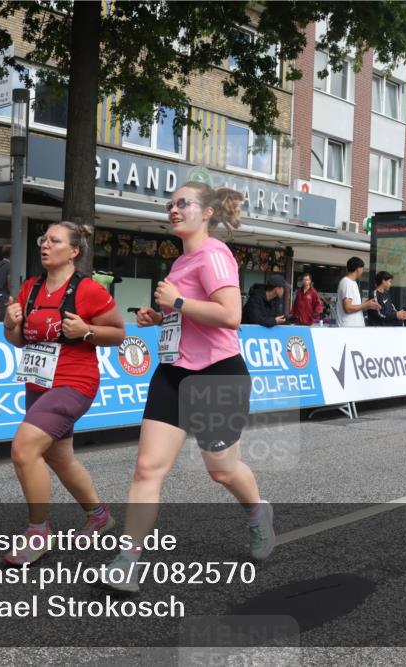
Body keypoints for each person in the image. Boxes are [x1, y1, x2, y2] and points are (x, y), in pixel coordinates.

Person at [101, 182, 275, 593]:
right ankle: (128, 561)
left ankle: (257, 512)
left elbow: (230, 315)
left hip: (216, 374)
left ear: (207, 212)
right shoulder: (181, 262)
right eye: (170, 203)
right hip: (174, 373)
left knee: (221, 470)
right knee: (147, 468)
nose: (173, 209)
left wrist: (177, 302)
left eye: (183, 203)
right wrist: (159, 319)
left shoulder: (214, 254)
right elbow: (192, 318)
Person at [1, 222, 126, 566]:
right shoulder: (31, 287)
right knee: (59, 457)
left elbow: (117, 334)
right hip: (37, 383)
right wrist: (10, 322)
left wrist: (87, 331)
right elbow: (18, 340)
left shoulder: (88, 290)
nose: (45, 245)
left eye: (54, 241)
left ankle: (37, 533)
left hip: (73, 383)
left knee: (24, 448)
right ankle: (99, 515)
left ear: (73, 251)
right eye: (44, 239)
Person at [335, 257, 380, 327]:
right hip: (349, 328)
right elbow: (348, 308)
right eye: (362, 268)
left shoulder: (352, 283)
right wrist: (366, 305)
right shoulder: (347, 282)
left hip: (354, 328)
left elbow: (354, 307)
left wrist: (368, 305)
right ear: (358, 269)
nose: (362, 271)